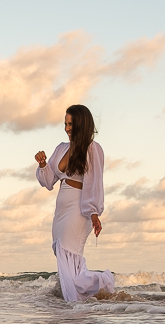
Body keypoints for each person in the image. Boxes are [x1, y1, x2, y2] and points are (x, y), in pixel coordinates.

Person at [34, 104, 115, 301]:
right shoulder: (61, 148)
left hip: (79, 211)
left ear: (81, 124)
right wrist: (43, 164)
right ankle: (74, 307)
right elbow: (48, 180)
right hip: (61, 211)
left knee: (70, 255)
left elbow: (95, 182)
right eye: (65, 124)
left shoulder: (92, 149)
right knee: (64, 256)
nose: (67, 128)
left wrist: (94, 212)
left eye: (70, 124)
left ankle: (99, 285)